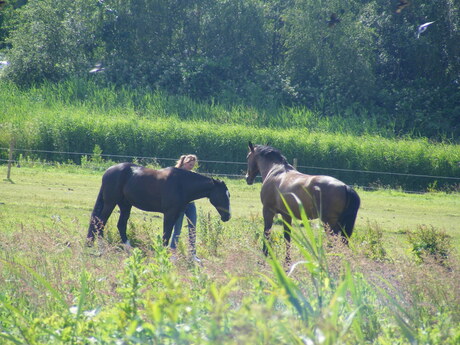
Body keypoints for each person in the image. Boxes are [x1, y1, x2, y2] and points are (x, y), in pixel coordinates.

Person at [170, 154, 200, 261]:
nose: (191, 166)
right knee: (177, 229)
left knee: (192, 228)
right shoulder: (176, 173)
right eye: (190, 164)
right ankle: (172, 253)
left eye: (193, 164)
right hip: (179, 205)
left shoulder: (193, 174)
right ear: (184, 162)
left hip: (191, 204)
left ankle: (192, 254)